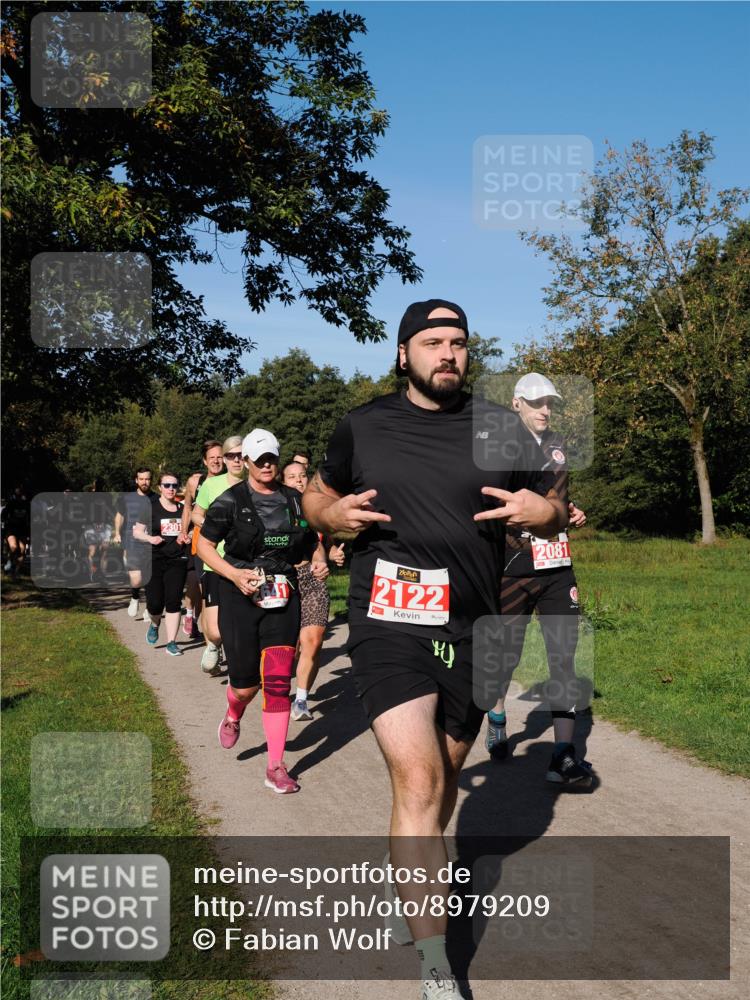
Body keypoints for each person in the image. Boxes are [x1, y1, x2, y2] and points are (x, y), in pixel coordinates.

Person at [303, 299, 567, 999]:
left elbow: (555, 507)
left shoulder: (500, 427)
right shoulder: (363, 425)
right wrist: (332, 514)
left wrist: (540, 511)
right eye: (431, 341)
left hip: (476, 629)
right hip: (388, 620)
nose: (447, 352)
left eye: (457, 342)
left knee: (446, 778)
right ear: (403, 353)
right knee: (418, 780)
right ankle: (436, 966)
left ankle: (408, 885)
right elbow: (316, 499)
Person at [485, 372, 594, 785]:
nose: (545, 410)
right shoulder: (496, 449)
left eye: (549, 402)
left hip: (556, 567)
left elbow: (555, 498)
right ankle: (497, 717)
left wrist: (571, 510)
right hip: (511, 569)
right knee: (504, 658)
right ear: (517, 404)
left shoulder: (558, 447)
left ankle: (563, 755)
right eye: (536, 403)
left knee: (564, 657)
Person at [196, 429, 318, 794]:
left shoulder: (296, 501)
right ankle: (234, 712)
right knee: (247, 686)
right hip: (239, 596)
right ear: (246, 461)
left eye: (271, 459)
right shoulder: (230, 501)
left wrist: (321, 559)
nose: (266, 465)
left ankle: (275, 767)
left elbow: (312, 542)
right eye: (259, 459)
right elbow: (202, 545)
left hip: (283, 595)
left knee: (279, 682)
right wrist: (233, 574)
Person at [280, 462, 337, 721]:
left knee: (313, 640)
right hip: (281, 579)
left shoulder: (317, 509)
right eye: (292, 477)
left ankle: (301, 699)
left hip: (311, 577)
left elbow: (323, 543)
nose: (299, 481)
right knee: (284, 648)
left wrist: (325, 559)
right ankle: (279, 690)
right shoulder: (274, 507)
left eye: (302, 476)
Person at [192, 436, 245, 672]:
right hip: (215, 560)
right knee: (214, 630)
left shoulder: (256, 485)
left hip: (245, 562)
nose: (237, 460)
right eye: (232, 456)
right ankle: (213, 645)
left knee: (241, 621)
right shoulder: (212, 486)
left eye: (242, 455)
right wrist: (211, 527)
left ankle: (242, 668)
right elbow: (195, 514)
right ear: (225, 459)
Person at [133, 473, 190, 655]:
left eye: (174, 485)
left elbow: (190, 533)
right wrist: (150, 538)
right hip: (154, 560)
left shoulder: (183, 510)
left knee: (173, 601)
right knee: (155, 604)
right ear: (160, 488)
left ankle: (171, 642)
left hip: (177, 560)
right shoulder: (150, 507)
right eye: (166, 485)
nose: (171, 489)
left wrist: (186, 537)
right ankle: (155, 623)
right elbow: (137, 532)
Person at [181, 440, 224, 639]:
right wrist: (184, 531)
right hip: (202, 542)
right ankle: (211, 643)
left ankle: (217, 632)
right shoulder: (195, 482)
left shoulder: (231, 481)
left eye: (219, 457)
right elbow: (188, 507)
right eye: (212, 458)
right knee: (204, 590)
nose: (216, 461)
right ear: (205, 461)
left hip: (227, 545)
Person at [113, 468, 155, 618]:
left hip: (150, 542)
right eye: (141, 479)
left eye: (147, 479)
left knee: (150, 578)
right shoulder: (126, 498)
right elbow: (119, 516)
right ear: (136, 480)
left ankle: (150, 608)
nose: (145, 482)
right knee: (137, 577)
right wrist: (117, 533)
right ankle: (135, 598)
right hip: (132, 541)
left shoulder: (156, 498)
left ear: (151, 480)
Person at [2, 484, 30, 575]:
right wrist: (8, 521)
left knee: (22, 550)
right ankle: (9, 564)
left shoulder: (27, 505)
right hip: (11, 529)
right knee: (14, 548)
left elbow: (30, 517)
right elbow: (3, 516)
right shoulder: (11, 503)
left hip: (23, 529)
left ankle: (17, 571)